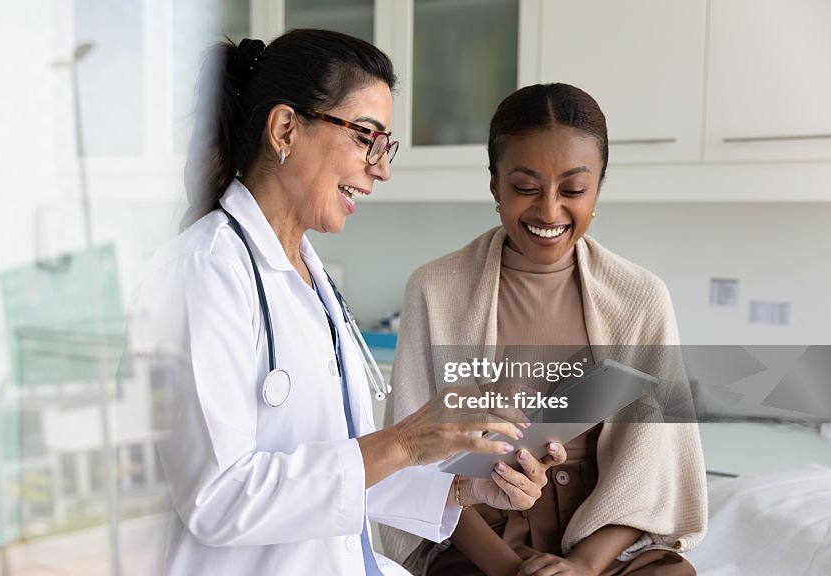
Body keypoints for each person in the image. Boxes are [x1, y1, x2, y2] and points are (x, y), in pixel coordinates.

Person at [133, 31, 568, 575]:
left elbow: (334, 472)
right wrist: (404, 444)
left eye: (384, 146)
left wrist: (467, 488)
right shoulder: (203, 271)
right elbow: (218, 499)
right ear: (285, 128)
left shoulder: (309, 275)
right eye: (367, 137)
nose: (381, 168)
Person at [381, 83, 707, 576]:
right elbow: (414, 466)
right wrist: (512, 569)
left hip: (602, 537)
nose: (549, 212)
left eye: (573, 190)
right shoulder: (435, 289)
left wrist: (579, 566)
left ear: (597, 188)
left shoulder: (641, 299)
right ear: (495, 185)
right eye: (526, 187)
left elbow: (654, 472)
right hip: (477, 537)